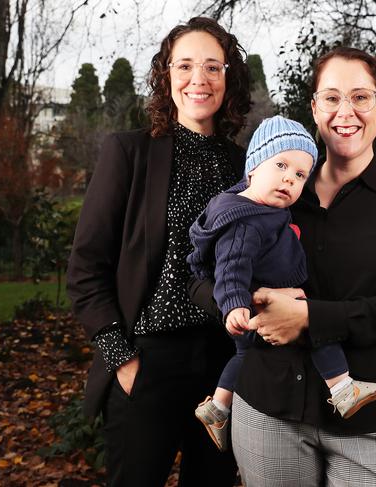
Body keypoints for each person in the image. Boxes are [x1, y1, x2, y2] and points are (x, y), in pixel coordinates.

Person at [191, 47, 376, 486]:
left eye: (361, 97)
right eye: (331, 97)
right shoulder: (275, 190)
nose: (345, 111)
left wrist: (306, 318)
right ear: (314, 108)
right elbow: (200, 277)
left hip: (368, 420)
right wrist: (251, 309)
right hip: (268, 407)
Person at [66, 17, 250, 486]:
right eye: (185, 65)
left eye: (213, 66)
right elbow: (87, 269)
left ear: (228, 78)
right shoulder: (129, 152)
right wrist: (122, 360)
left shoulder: (244, 165)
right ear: (166, 75)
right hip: (147, 361)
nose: (199, 79)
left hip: (222, 365)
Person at [187, 115, 376, 452]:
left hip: (263, 303)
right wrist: (235, 304)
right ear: (252, 168)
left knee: (245, 354)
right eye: (281, 165)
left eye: (299, 175)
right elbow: (231, 266)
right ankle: (342, 389)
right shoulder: (246, 220)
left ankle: (218, 407)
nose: (289, 179)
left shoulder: (264, 211)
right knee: (316, 330)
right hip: (258, 306)